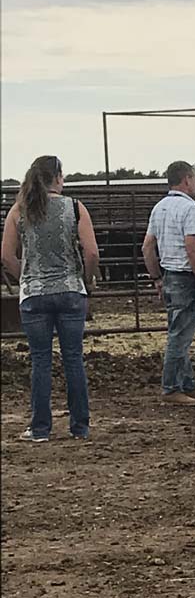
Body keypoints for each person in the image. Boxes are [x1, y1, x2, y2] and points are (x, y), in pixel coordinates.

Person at [1, 155, 99, 441]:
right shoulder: (75, 208)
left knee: (40, 360)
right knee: (73, 358)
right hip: (70, 291)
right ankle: (80, 426)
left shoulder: (19, 211)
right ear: (57, 177)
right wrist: (87, 280)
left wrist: (26, 277)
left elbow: (6, 255)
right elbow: (91, 252)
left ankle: (40, 428)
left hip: (35, 294)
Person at [141, 161, 195, 407]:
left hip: (170, 275)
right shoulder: (190, 209)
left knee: (179, 330)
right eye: (194, 180)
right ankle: (171, 387)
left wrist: (156, 278)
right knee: (180, 336)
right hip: (186, 277)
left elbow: (147, 247)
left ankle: (187, 384)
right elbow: (192, 249)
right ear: (186, 180)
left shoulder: (159, 208)